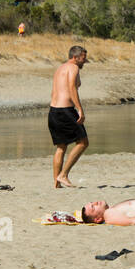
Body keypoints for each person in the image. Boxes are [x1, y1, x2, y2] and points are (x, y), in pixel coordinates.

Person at [49, 45, 89, 188]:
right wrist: (80, 109)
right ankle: (63, 175)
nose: (85, 61)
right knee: (83, 142)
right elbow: (72, 87)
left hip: (53, 111)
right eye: (83, 58)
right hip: (66, 110)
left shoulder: (60, 68)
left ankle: (56, 183)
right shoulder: (73, 68)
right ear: (75, 57)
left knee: (61, 147)